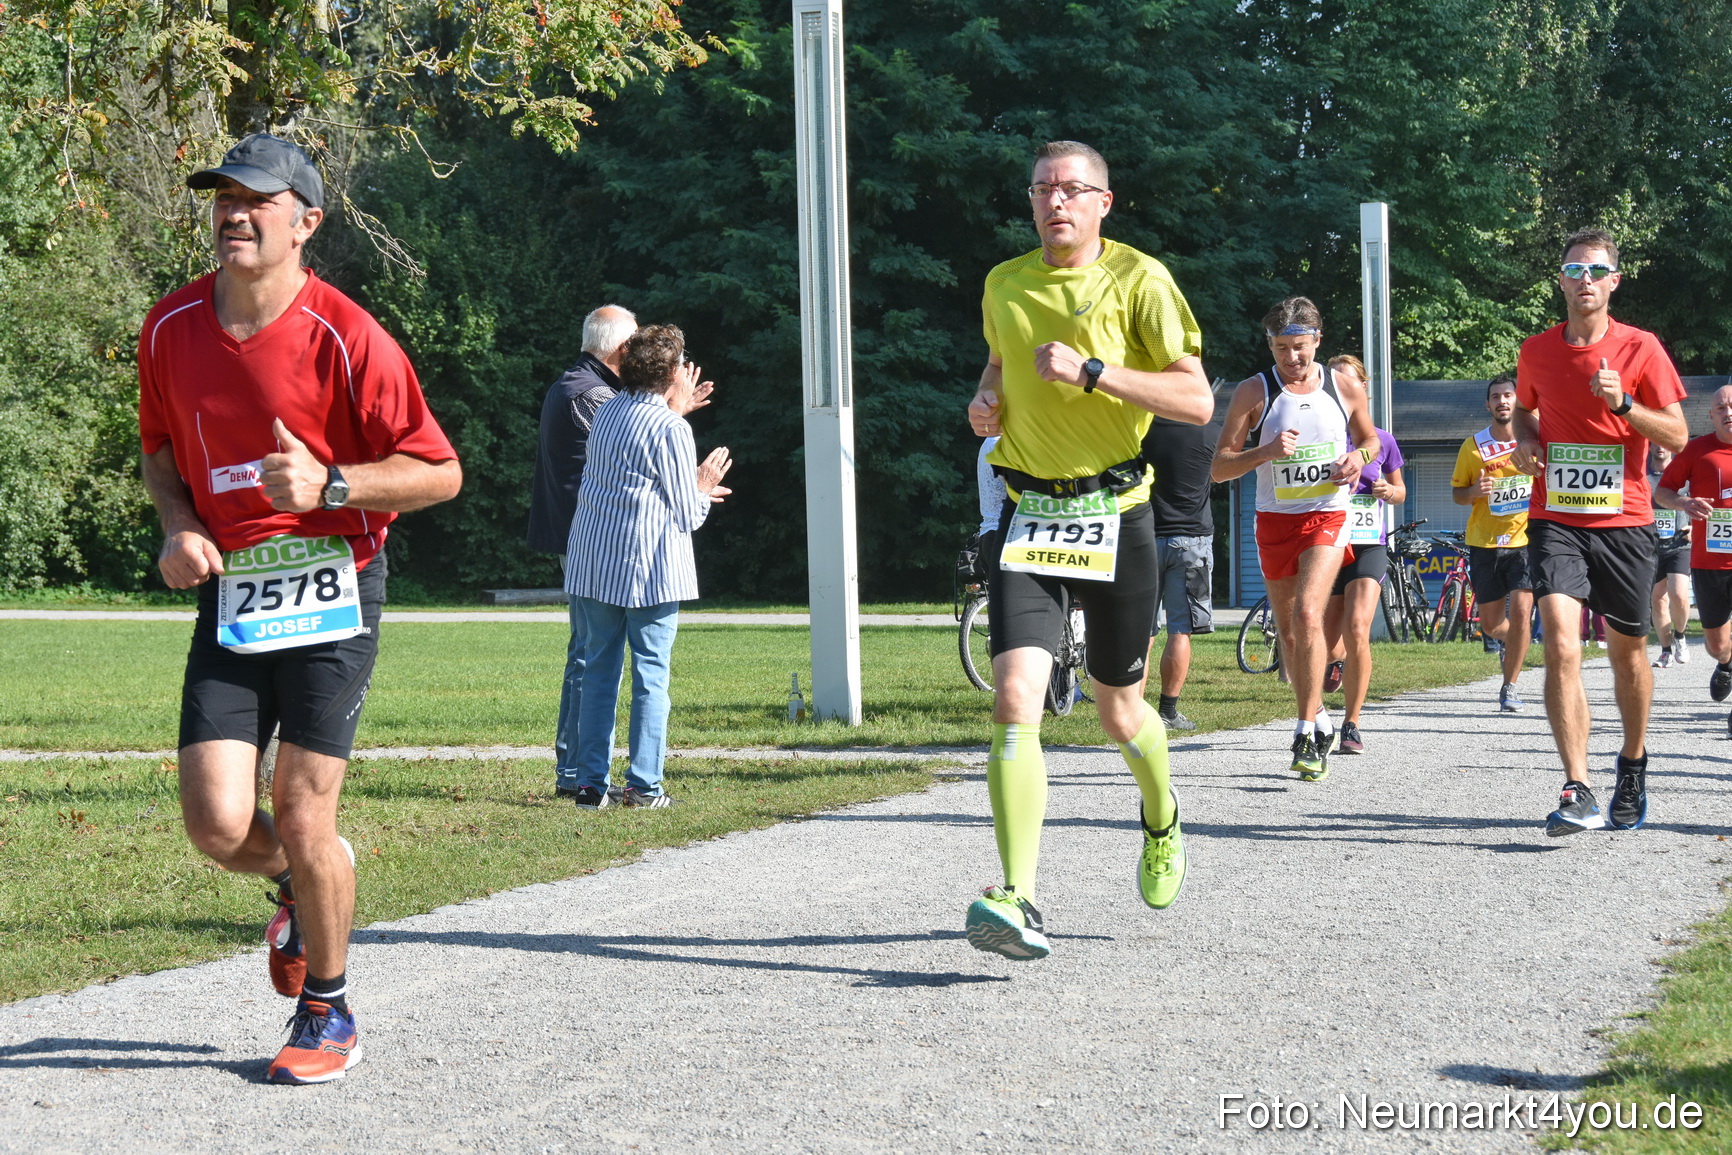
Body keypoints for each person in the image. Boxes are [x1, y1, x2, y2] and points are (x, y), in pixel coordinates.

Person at [138, 134, 461, 1083]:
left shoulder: (349, 335)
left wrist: (332, 482)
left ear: (305, 222)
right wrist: (176, 526)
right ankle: (297, 883)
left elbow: (439, 472)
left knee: (304, 809)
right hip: (237, 584)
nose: (233, 214)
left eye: (257, 201)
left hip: (335, 580)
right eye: (222, 198)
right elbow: (161, 452)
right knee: (214, 821)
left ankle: (327, 1010)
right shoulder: (170, 327)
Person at [964, 140, 1212, 960]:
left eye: (1072, 190)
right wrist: (986, 399)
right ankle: (1020, 895)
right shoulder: (1004, 280)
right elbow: (997, 364)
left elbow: (1195, 397)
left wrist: (1096, 372)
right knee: (1013, 700)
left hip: (1117, 512)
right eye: (1042, 189)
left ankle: (1162, 812)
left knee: (1118, 711)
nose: (1055, 203)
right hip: (1029, 513)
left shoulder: (1140, 280)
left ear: (1106, 201)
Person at [1510, 228, 1688, 836]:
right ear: (1560, 280)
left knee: (1627, 653)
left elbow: (1677, 435)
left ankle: (1632, 764)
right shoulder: (1535, 350)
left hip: (1627, 522)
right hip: (1555, 516)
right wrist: (1528, 443)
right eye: (1573, 269)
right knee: (1560, 643)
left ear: (1614, 282)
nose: (1584, 279)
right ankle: (1577, 785)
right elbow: (1525, 411)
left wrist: (1622, 407)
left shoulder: (1641, 348)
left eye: (1596, 270)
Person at [563, 324, 732, 809]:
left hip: (594, 560)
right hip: (649, 568)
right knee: (651, 676)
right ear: (673, 373)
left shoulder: (608, 411)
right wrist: (702, 485)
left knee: (597, 673)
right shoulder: (671, 428)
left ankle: (590, 785)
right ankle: (643, 786)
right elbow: (686, 514)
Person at [1212, 298, 1378, 782]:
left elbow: (1370, 440)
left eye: (1301, 348)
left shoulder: (1343, 385)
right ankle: (1321, 716)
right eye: (1282, 348)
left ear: (1317, 342)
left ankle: (1305, 731)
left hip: (1326, 514)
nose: (1293, 359)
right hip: (1274, 520)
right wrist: (1263, 451)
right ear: (1270, 345)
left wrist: (1358, 461)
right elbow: (1219, 467)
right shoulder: (1253, 391)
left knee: (1309, 614)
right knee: (1289, 634)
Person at [525, 305, 644, 803]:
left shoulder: (574, 384)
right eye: (636, 344)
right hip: (589, 540)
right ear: (619, 348)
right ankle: (574, 770)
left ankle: (574, 768)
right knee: (589, 656)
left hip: (581, 538)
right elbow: (635, 452)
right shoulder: (591, 394)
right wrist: (673, 412)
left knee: (587, 653)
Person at [1319, 355, 1404, 754]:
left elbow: (1399, 489)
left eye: (1349, 383)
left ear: (1362, 389)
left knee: (1357, 629)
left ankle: (1351, 723)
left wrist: (1389, 492)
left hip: (1369, 542)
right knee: (1328, 641)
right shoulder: (1322, 433)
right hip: (1329, 543)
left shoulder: (1381, 440)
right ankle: (1334, 664)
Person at [1450, 373, 1535, 711]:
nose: (1502, 401)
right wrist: (1474, 491)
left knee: (1524, 613)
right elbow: (1457, 495)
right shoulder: (1473, 446)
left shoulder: (1534, 440)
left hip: (1524, 540)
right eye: (1496, 396)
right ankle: (1511, 643)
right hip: (1484, 542)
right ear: (1488, 404)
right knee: (1491, 623)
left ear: (1518, 401)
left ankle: (1510, 687)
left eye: (1508, 395)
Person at [1142, 412, 1223, 731]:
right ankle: (1168, 711)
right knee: (1180, 630)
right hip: (1193, 542)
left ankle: (1133, 711)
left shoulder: (1140, 427)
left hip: (1143, 539)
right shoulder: (1210, 430)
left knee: (1141, 633)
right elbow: (1224, 470)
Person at [1656, 385, 1732, 722]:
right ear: (1711, 415)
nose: (1728, 411)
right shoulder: (1696, 450)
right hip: (1709, 562)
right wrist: (1684, 502)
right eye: (1721, 407)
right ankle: (1726, 663)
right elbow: (1663, 492)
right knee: (1716, 645)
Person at [1647, 444, 1691, 666]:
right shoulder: (1642, 476)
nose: (1660, 447)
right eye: (1655, 442)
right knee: (1657, 599)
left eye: (1664, 443)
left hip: (1679, 545)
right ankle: (1665, 652)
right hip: (1652, 547)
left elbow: (1702, 500)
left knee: (1679, 595)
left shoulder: (1684, 475)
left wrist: (1693, 526)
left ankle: (1680, 636)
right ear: (1650, 446)